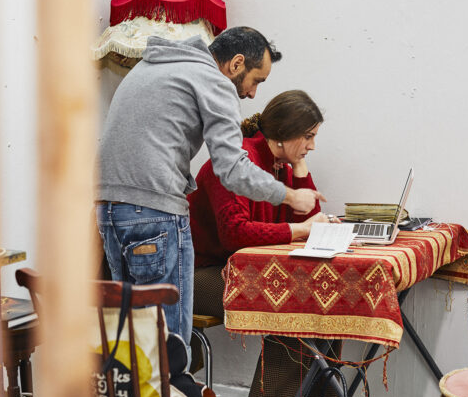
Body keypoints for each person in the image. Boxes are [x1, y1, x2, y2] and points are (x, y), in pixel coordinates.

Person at [95, 28, 324, 356]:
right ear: (236, 64)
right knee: (168, 345)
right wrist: (288, 196)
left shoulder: (151, 67)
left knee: (137, 338)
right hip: (155, 211)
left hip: (110, 210)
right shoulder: (213, 81)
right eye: (256, 80)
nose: (253, 94)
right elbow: (231, 169)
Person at [189, 90, 341, 397]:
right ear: (284, 133)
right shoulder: (237, 162)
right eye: (308, 137)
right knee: (289, 308)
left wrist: (299, 165)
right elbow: (235, 235)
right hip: (197, 274)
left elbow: (308, 220)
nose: (313, 146)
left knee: (320, 299)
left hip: (239, 267)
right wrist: (301, 230)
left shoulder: (278, 163)